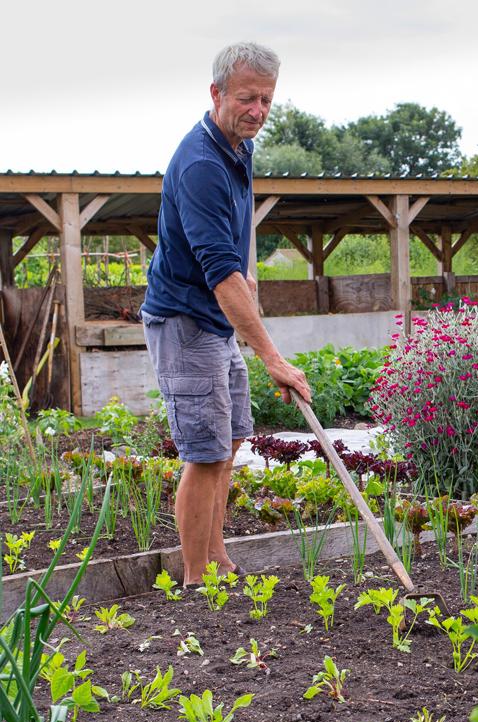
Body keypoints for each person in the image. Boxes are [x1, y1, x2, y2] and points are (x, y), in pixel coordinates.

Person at [141, 41, 311, 586]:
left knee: (229, 439)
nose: (257, 110)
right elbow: (219, 274)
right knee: (204, 450)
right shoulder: (200, 165)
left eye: (266, 99)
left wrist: (246, 273)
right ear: (216, 93)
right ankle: (195, 581)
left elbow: (229, 248)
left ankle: (218, 558)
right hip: (185, 321)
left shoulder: (239, 147)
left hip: (214, 321)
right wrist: (273, 358)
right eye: (246, 98)